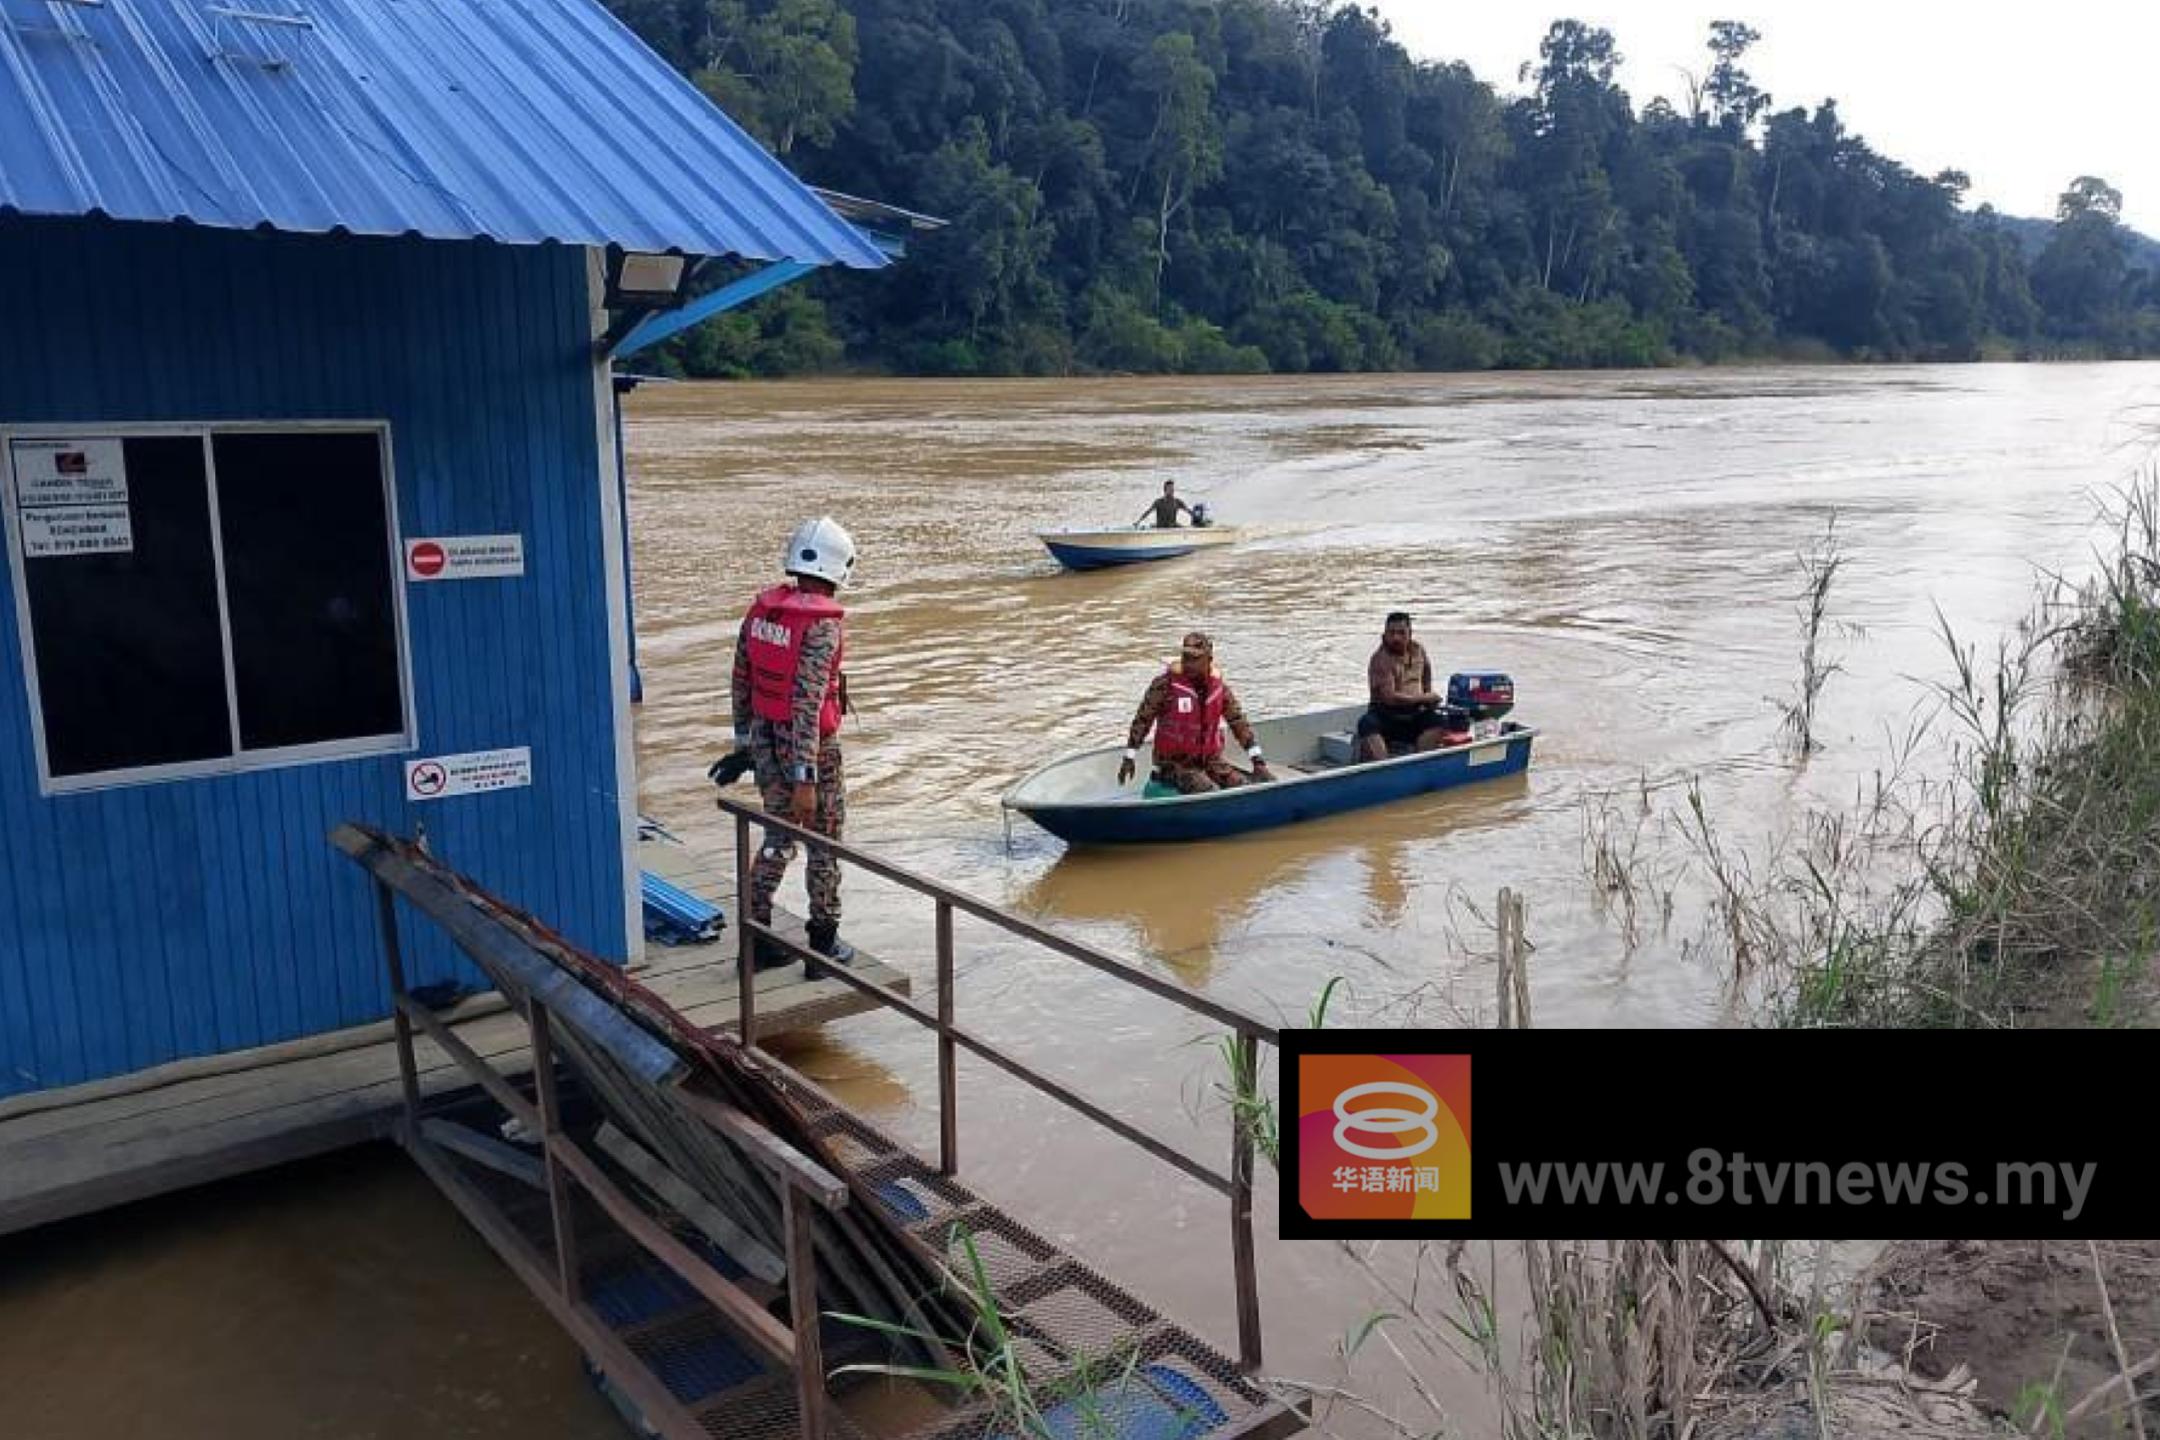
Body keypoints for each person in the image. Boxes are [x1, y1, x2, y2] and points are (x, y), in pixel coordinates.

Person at [727, 516, 857, 974]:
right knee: (824, 843)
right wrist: (807, 777)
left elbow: (741, 677)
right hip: (811, 751)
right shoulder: (821, 626)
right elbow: (806, 701)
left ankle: (754, 935)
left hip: (765, 739)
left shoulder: (764, 612)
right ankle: (823, 946)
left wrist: (744, 742)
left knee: (778, 838)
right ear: (840, 568)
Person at [1117, 632, 1277, 793]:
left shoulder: (1219, 689)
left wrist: (1258, 762)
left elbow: (1238, 722)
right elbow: (1142, 720)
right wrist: (1129, 757)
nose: (1189, 664)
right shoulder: (1164, 685)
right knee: (1210, 791)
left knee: (1244, 787)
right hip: (1174, 764)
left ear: (1208, 660)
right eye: (1186, 657)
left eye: (1195, 659)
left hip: (1211, 761)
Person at [1358, 611, 1454, 762]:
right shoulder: (1380, 660)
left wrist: (1428, 699)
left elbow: (1426, 673)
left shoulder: (1419, 651)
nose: (1396, 637)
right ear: (1384, 634)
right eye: (1392, 633)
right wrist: (1426, 697)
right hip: (1386, 717)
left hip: (1414, 715)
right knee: (1367, 724)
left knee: (1440, 721)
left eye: (1401, 633)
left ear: (1410, 633)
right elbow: (1390, 698)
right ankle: (1383, 767)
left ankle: (1419, 761)